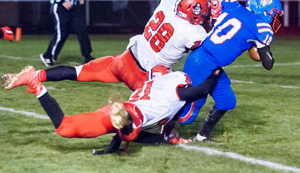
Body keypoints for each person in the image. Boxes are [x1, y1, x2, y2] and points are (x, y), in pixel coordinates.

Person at [2, 65, 221, 153]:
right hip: (131, 114)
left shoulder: (151, 85)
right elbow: (202, 90)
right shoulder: (177, 91)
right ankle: (124, 122)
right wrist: (216, 72)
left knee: (65, 128)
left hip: (127, 111)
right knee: (132, 131)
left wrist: (110, 149)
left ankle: (35, 83)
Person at [34, 0, 209, 91]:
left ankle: (34, 75)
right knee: (181, 95)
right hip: (145, 75)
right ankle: (169, 133)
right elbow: (212, 47)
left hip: (125, 59)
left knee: (77, 72)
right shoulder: (193, 32)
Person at [177, 0, 284, 142]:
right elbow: (268, 64)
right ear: (264, 10)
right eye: (274, 14)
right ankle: (153, 124)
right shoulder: (261, 27)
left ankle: (202, 136)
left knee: (226, 100)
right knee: (188, 113)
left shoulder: (233, 5)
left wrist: (216, 9)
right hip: (202, 63)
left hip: (208, 62)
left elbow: (217, 4)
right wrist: (261, 49)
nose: (275, 18)